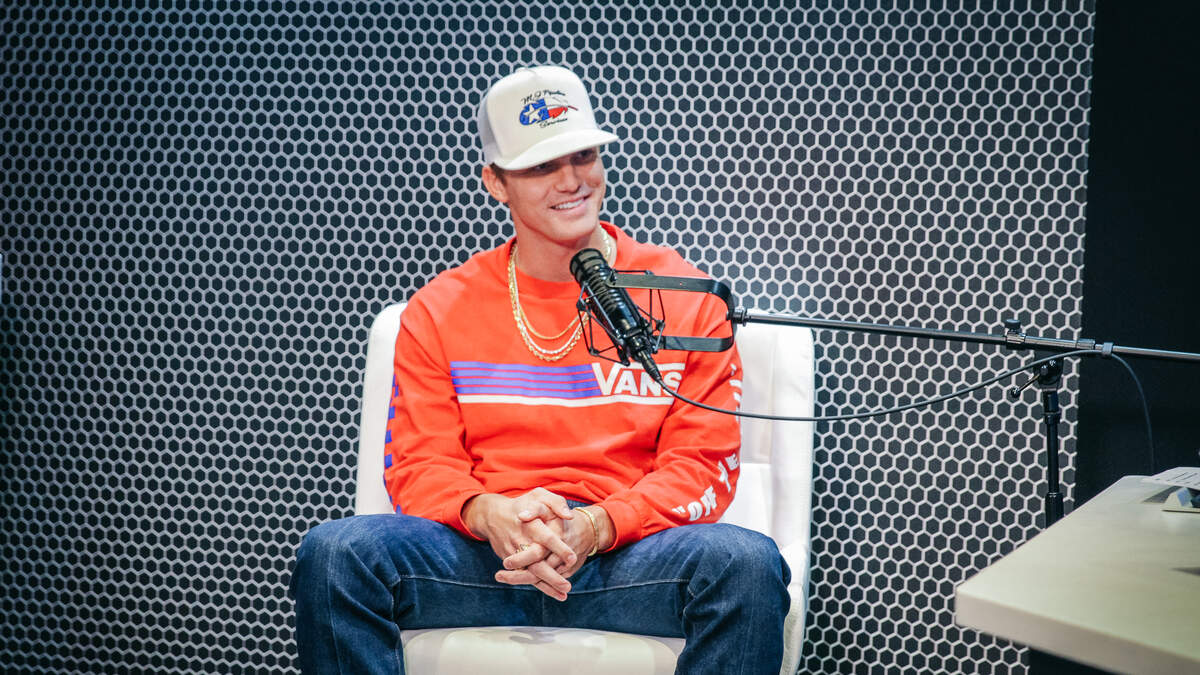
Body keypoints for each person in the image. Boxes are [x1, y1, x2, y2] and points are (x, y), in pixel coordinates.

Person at [291, 65, 790, 674]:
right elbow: (420, 463)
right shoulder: (440, 308)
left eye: (583, 155)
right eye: (541, 166)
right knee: (336, 553)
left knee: (745, 564)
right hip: (482, 557)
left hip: (625, 558)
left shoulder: (686, 297)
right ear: (496, 182)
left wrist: (596, 525)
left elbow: (700, 464)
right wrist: (489, 514)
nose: (572, 180)